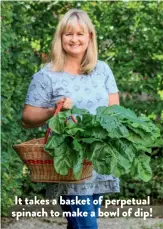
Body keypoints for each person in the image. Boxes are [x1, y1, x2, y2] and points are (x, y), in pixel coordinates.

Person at [22, 8, 120, 229]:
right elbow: (27, 118)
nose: (74, 39)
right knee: (86, 225)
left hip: (99, 160)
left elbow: (115, 112)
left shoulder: (102, 70)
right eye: (68, 34)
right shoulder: (46, 75)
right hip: (69, 161)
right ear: (60, 38)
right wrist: (53, 110)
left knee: (81, 224)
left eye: (80, 34)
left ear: (89, 37)